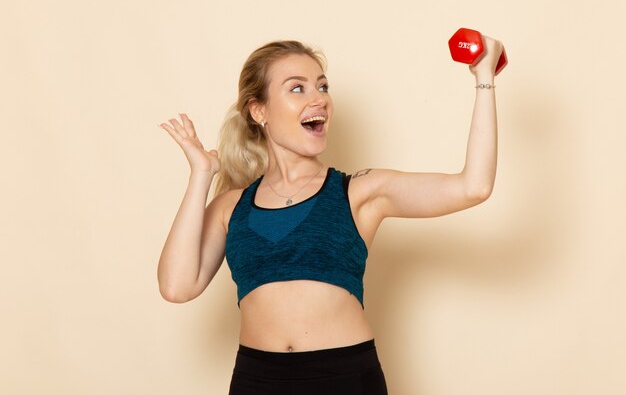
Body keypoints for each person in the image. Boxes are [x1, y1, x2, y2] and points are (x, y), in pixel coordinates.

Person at [157, 37, 503, 395]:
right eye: (298, 88)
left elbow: (473, 186)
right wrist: (201, 174)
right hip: (256, 380)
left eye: (322, 86)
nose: (318, 98)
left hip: (344, 378)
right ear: (259, 111)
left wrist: (484, 78)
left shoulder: (358, 191)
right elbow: (176, 286)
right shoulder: (233, 207)